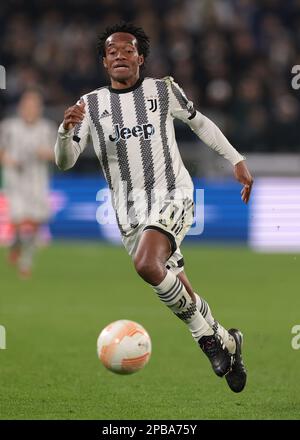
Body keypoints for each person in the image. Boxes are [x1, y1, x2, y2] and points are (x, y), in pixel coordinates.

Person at [54, 23, 253, 392]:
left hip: (173, 195)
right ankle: (227, 340)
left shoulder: (162, 90)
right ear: (104, 62)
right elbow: (65, 161)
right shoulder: (90, 105)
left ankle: (204, 340)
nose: (119, 56)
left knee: (146, 264)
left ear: (140, 58)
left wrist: (236, 160)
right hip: (130, 214)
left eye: (127, 50)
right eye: (112, 52)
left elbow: (201, 123)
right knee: (180, 290)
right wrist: (65, 133)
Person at [0, 89, 56, 277]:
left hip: (38, 182)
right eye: (27, 105)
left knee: (35, 221)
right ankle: (16, 244)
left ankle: (26, 260)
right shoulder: (9, 127)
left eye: (34, 106)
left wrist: (46, 153)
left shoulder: (47, 128)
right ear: (21, 107)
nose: (31, 109)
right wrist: (8, 160)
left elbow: (57, 154)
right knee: (18, 220)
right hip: (15, 181)